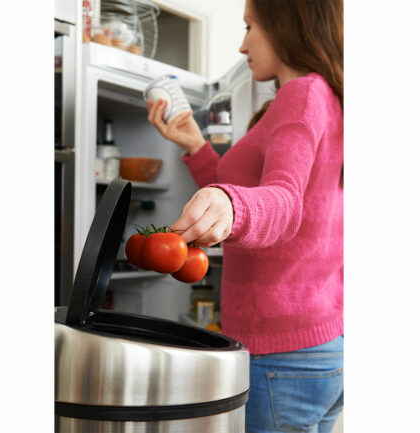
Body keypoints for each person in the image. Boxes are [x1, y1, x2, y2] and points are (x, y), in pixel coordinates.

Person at [147, 0, 343, 431]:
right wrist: (198, 147)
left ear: (285, 23)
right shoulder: (325, 99)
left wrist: (232, 205)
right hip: (320, 344)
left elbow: (284, 202)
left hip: (281, 356)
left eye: (250, 26)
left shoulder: (302, 94)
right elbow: (270, 194)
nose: (241, 45)